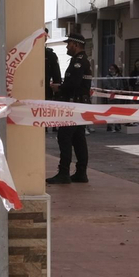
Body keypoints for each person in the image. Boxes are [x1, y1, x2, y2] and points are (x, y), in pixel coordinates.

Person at [48, 33, 92, 184]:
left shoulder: (79, 62)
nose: (67, 46)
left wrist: (58, 87)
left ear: (76, 44)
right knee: (78, 138)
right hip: (79, 104)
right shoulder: (79, 60)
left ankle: (64, 172)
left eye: (69, 43)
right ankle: (81, 172)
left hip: (74, 105)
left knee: (64, 136)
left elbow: (73, 83)